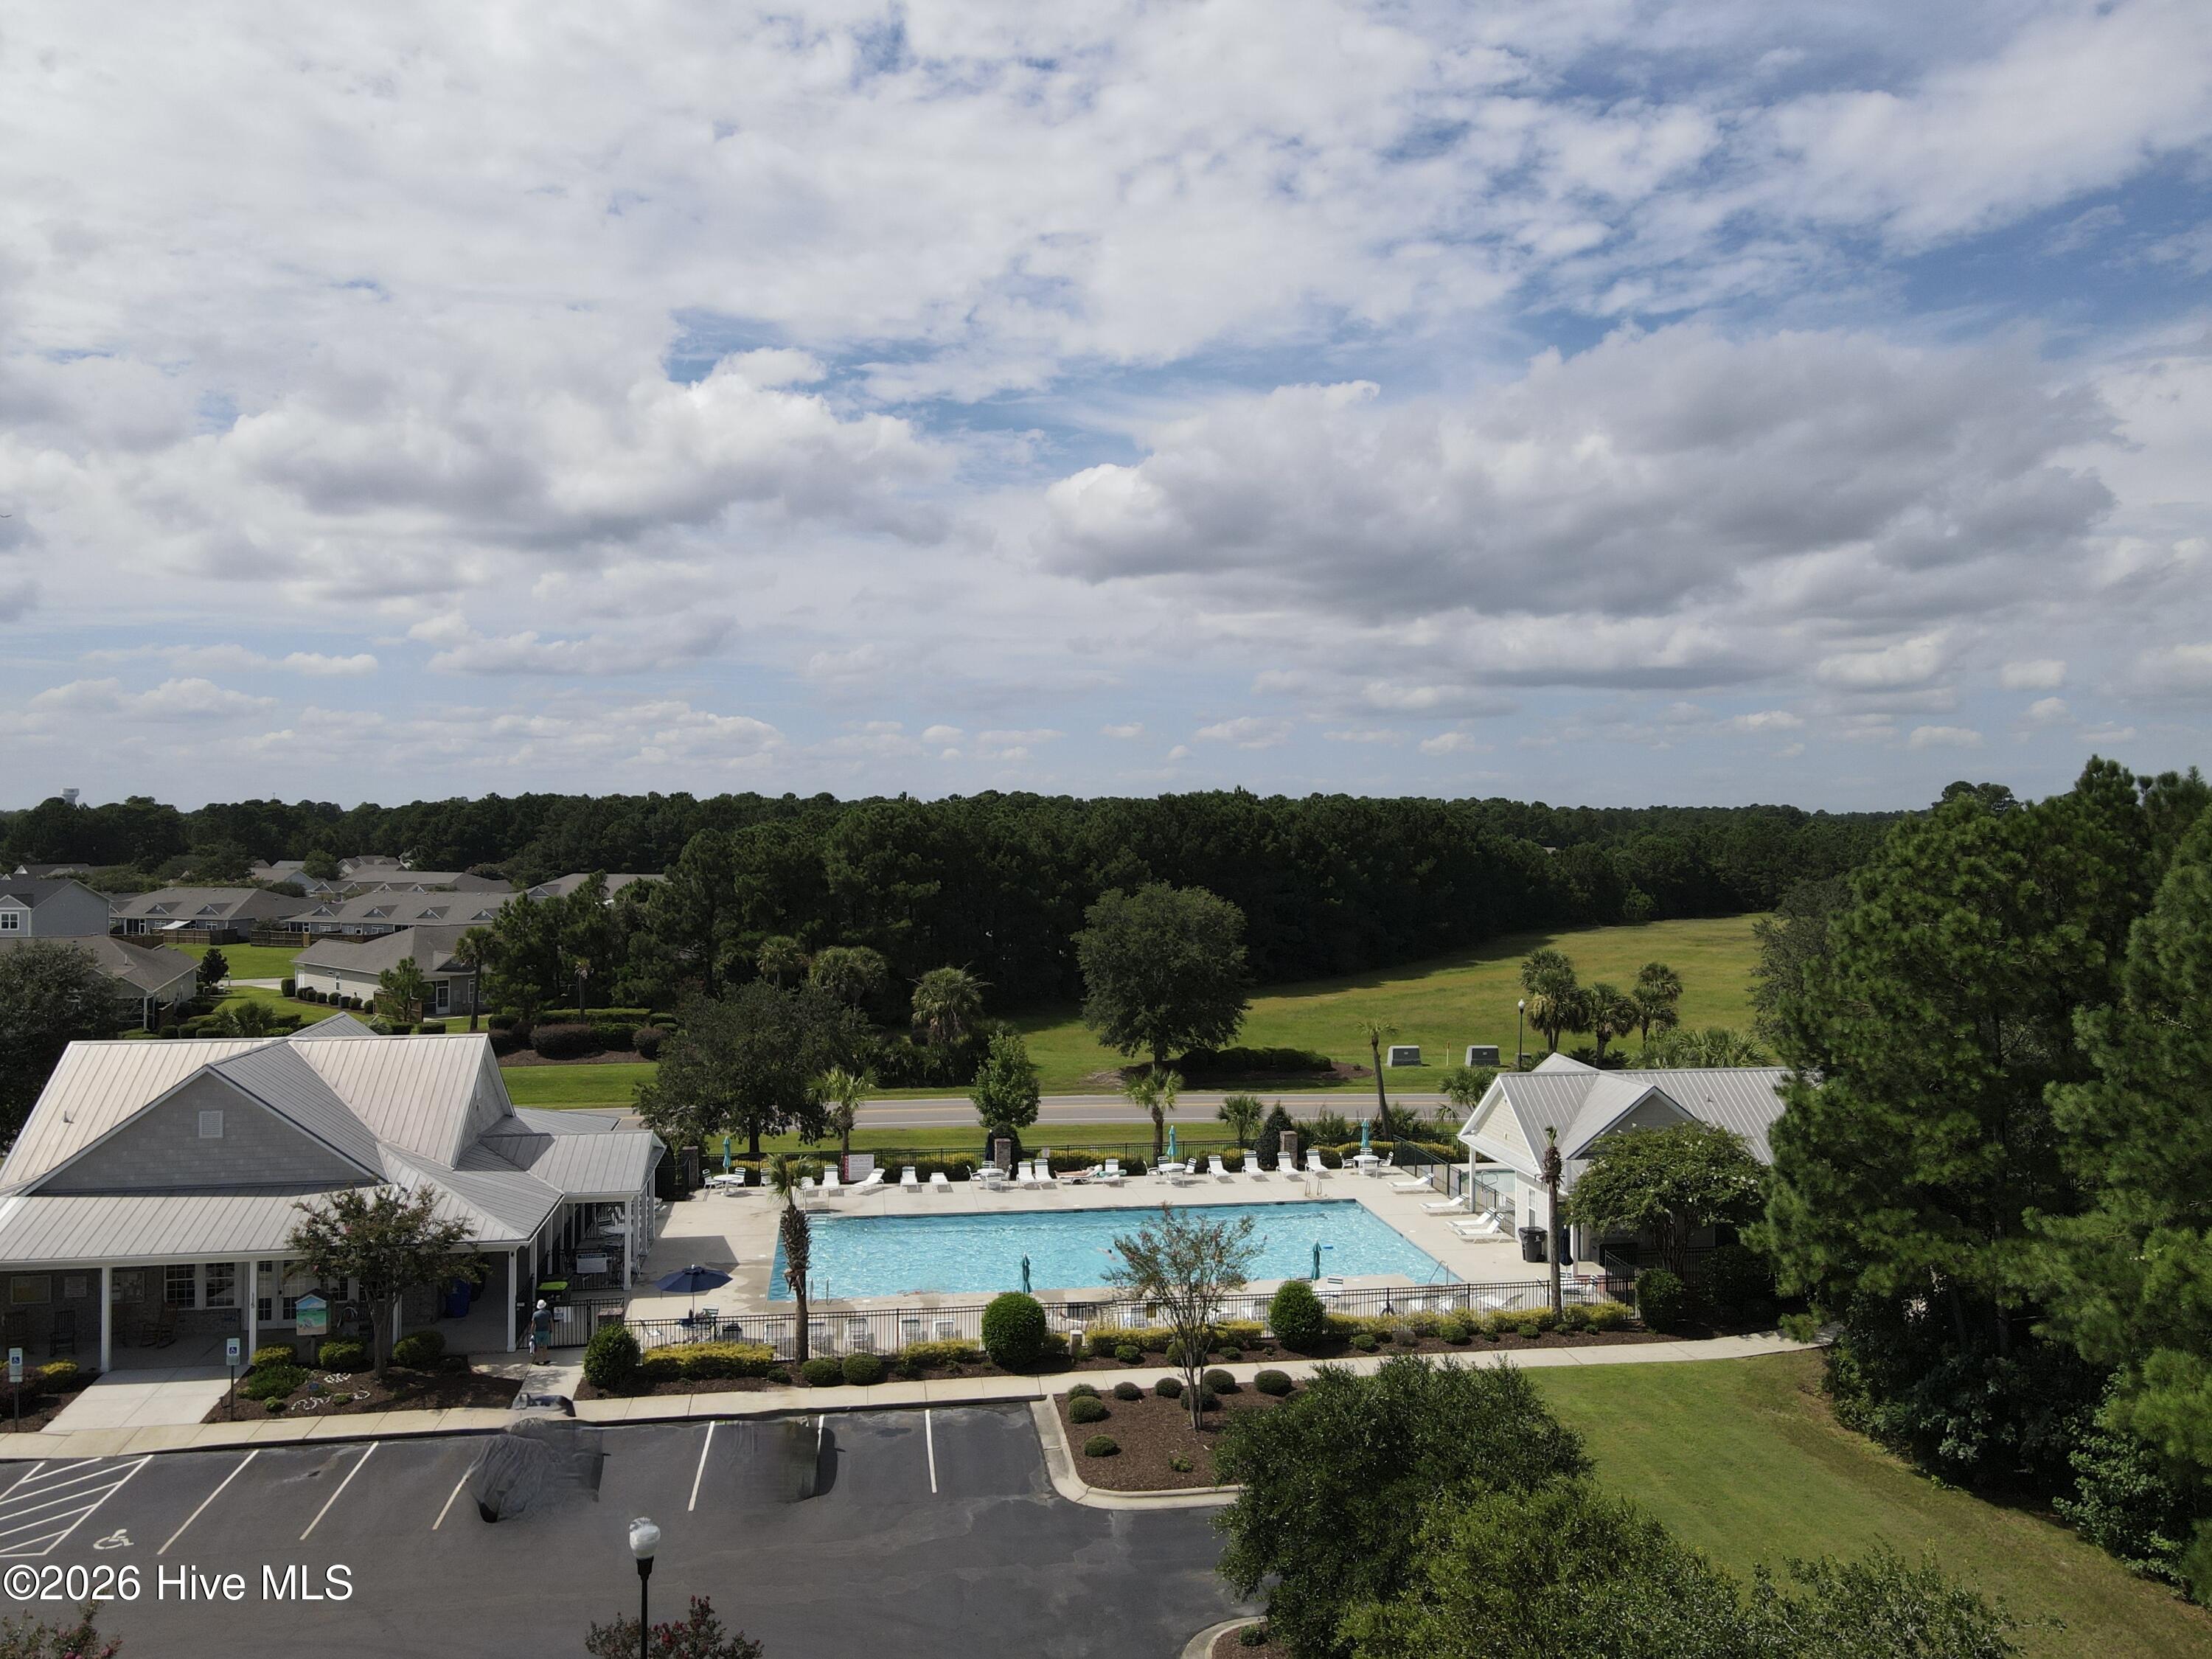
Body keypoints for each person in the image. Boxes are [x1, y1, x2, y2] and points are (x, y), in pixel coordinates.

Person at [529, 1298, 552, 1363]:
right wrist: (551, 1329)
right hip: (546, 1331)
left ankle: (537, 1360)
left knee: (538, 1346)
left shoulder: (535, 1314)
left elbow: (533, 1324)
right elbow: (551, 1322)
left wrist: (532, 1332)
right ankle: (545, 1359)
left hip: (538, 1331)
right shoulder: (548, 1313)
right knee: (545, 1346)